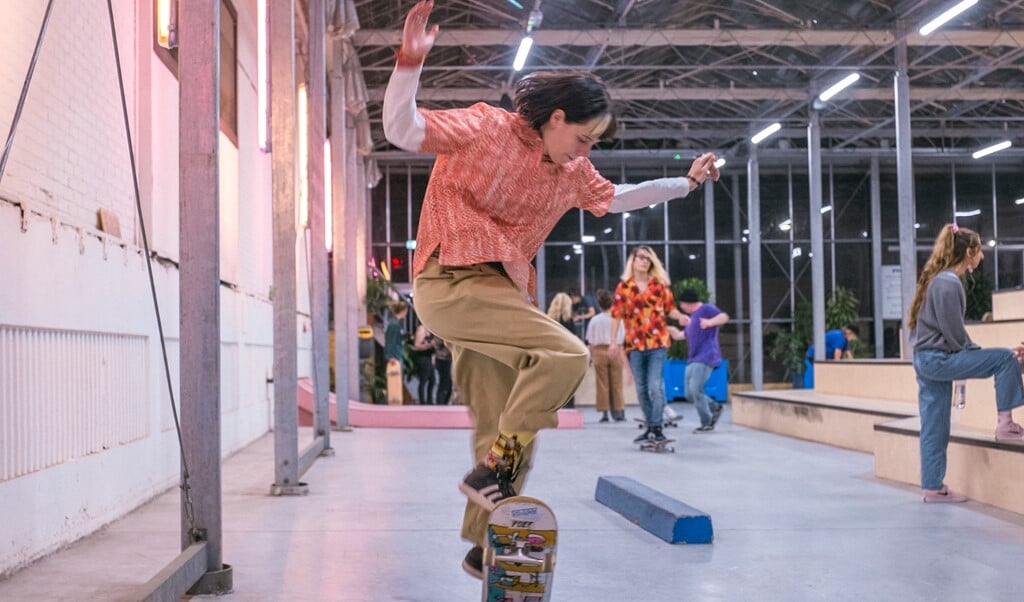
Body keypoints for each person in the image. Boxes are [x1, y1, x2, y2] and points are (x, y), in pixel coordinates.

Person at [383, 0, 719, 579]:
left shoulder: (572, 173)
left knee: (505, 420)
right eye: (584, 138)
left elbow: (618, 197)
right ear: (556, 117)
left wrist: (685, 185)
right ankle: (497, 469)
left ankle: (480, 541)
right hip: (449, 282)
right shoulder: (487, 127)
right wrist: (410, 61)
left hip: (503, 300)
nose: (586, 152)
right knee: (564, 354)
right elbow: (402, 129)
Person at [907, 223, 1024, 504]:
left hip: (925, 358)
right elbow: (955, 334)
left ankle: (933, 488)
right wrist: (984, 355)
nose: (982, 256)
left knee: (934, 425)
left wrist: (978, 354)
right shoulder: (948, 282)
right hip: (938, 359)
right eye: (979, 250)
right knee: (1006, 359)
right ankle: (1005, 424)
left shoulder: (938, 279)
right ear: (969, 252)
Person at [609, 246, 687, 444]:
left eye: (648, 259)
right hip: (635, 344)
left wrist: (681, 317)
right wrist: (613, 343)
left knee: (655, 386)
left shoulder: (659, 286)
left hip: (657, 342)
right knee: (642, 389)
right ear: (633, 261)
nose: (644, 261)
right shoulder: (624, 288)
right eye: (640, 258)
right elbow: (616, 317)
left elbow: (670, 310)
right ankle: (651, 426)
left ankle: (657, 426)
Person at [669, 288, 730, 433]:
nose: (681, 308)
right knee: (689, 394)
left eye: (682, 304)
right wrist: (671, 331)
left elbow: (724, 317)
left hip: (706, 356)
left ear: (689, 303)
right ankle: (715, 407)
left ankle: (707, 422)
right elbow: (681, 335)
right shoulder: (693, 318)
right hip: (693, 358)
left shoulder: (706, 309)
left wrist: (710, 322)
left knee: (696, 390)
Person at [585, 289, 626, 423]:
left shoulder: (594, 320)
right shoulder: (618, 320)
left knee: (602, 383)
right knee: (617, 383)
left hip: (599, 351)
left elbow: (590, 340)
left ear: (599, 305)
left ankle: (605, 413)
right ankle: (619, 412)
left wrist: (591, 356)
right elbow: (622, 338)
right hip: (616, 350)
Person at [411, 324, 437, 404]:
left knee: (432, 380)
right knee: (423, 380)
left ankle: (429, 400)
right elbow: (417, 345)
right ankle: (422, 401)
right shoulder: (421, 329)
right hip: (423, 357)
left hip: (429, 357)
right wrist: (429, 345)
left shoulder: (430, 330)